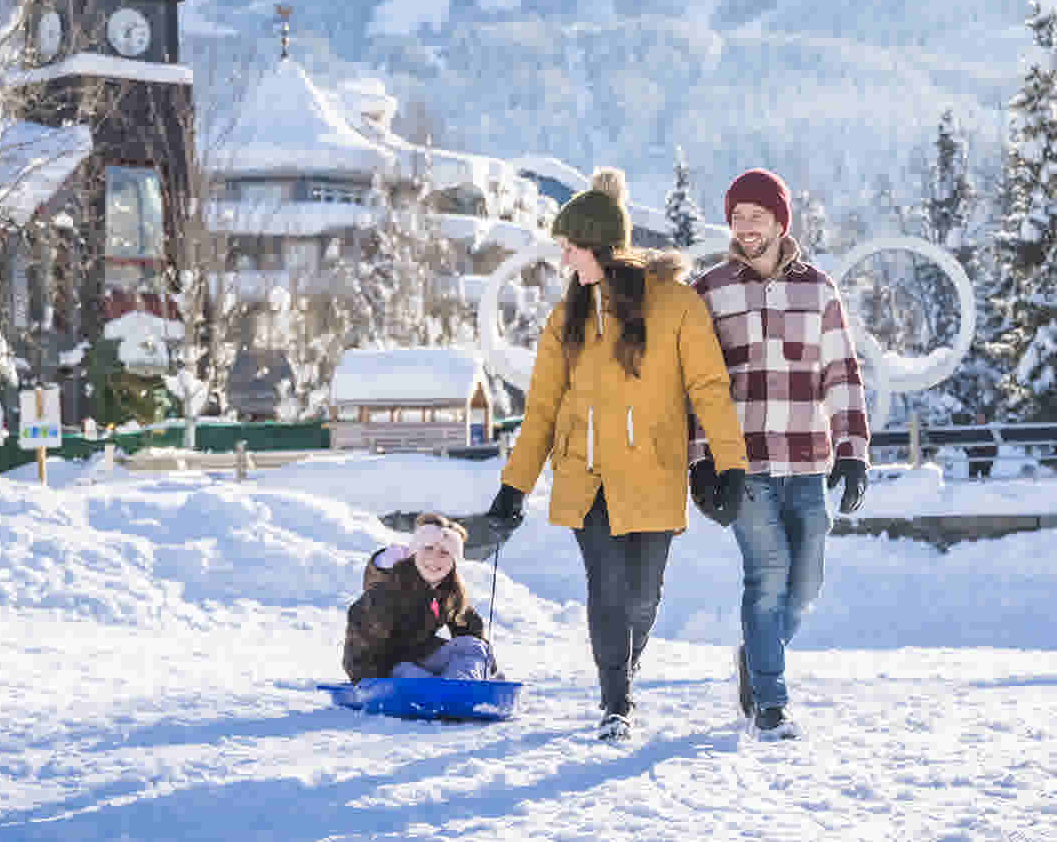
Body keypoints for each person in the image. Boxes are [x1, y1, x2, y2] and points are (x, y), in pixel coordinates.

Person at [483, 167, 749, 742]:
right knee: (605, 587)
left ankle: (621, 675)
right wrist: (514, 486)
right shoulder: (566, 319)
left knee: (643, 597)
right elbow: (542, 410)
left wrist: (730, 464)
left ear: (600, 246)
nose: (563, 260)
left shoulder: (677, 306)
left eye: (571, 247)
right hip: (586, 474)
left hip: (654, 472)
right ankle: (615, 702)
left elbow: (709, 388)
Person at [687, 167, 870, 741]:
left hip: (806, 460)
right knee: (767, 576)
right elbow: (694, 382)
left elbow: (841, 371)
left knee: (807, 582)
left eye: (756, 217)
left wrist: (853, 451)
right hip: (742, 465)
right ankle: (771, 702)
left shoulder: (818, 289)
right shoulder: (711, 289)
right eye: (737, 217)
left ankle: (757, 653)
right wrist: (701, 459)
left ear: (779, 221)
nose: (745, 228)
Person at [342, 513, 497, 683]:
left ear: (453, 562)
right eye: (428, 548)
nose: (434, 558)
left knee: (475, 648)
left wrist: (485, 668)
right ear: (414, 552)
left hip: (419, 656)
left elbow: (469, 628)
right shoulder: (389, 588)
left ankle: (459, 690)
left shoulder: (449, 590)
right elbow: (360, 643)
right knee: (409, 673)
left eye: (445, 552)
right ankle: (438, 690)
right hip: (387, 668)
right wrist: (369, 684)